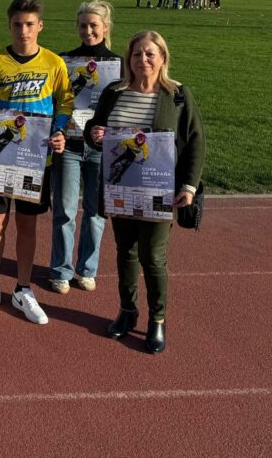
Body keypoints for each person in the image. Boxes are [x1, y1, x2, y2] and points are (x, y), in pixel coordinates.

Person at [85, 30, 205, 354]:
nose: (143, 60)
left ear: (163, 58)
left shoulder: (178, 95)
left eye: (150, 54)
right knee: (125, 252)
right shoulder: (115, 91)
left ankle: (158, 319)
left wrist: (189, 187)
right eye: (137, 54)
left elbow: (195, 142)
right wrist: (95, 134)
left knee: (152, 257)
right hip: (121, 188)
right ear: (129, 59)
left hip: (160, 191)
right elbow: (94, 129)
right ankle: (127, 310)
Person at [0, 0, 72, 326]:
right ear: (9, 25)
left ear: (40, 26)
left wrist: (59, 132)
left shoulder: (54, 63)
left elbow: (65, 102)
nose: (23, 31)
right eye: (17, 24)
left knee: (27, 224)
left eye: (29, 25)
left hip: (34, 159)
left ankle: (24, 289)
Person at [49, 0, 120, 295]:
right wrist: (57, 130)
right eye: (83, 25)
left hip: (101, 148)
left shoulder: (119, 64)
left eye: (93, 25)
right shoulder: (64, 60)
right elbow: (55, 100)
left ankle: (87, 269)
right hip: (69, 145)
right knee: (64, 210)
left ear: (105, 27)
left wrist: (111, 131)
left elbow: (123, 108)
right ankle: (61, 270)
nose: (88, 30)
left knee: (95, 212)